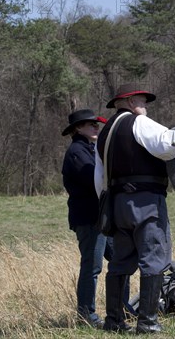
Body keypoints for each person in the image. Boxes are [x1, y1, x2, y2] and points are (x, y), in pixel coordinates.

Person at [95, 83, 175, 334]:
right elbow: (166, 143)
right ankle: (147, 322)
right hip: (145, 201)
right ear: (130, 102)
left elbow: (99, 178)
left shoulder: (105, 132)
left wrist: (112, 204)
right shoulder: (138, 122)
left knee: (120, 263)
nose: (146, 105)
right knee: (154, 259)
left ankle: (114, 321)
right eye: (142, 100)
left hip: (116, 204)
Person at [61, 109, 110, 328]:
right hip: (89, 218)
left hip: (103, 217)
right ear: (77, 129)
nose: (95, 127)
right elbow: (94, 180)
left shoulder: (90, 149)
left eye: (96, 124)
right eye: (90, 124)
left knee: (119, 260)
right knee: (92, 266)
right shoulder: (77, 151)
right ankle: (86, 315)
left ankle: (120, 309)